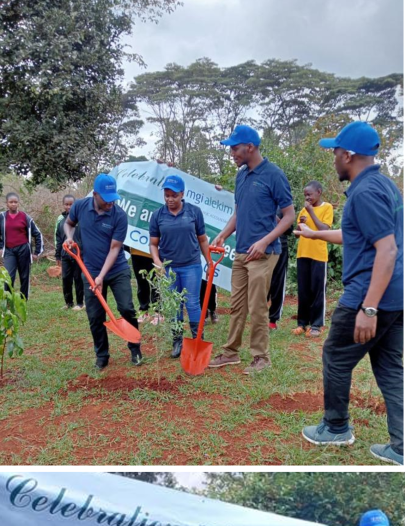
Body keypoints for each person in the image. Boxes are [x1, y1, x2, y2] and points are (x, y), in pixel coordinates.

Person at [298, 122, 405, 463]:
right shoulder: (384, 186)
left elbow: (386, 250)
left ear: (348, 155)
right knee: (389, 367)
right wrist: (316, 236)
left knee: (335, 356)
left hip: (369, 293)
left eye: (335, 153)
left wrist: (369, 308)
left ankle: (336, 427)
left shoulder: (365, 192)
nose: (333, 159)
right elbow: (356, 234)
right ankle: (402, 445)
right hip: (396, 295)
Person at [208, 124, 294, 374]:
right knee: (236, 305)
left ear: (250, 147)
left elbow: (289, 216)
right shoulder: (241, 175)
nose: (232, 153)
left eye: (235, 148)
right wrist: (224, 234)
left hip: (264, 253)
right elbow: (239, 212)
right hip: (242, 251)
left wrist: (266, 240)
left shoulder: (273, 174)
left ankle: (261, 358)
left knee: (257, 306)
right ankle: (230, 353)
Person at [65, 173, 141, 370]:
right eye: (106, 199)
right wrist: (69, 237)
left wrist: (101, 276)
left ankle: (135, 348)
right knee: (95, 316)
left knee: (126, 308)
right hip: (89, 271)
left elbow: (115, 249)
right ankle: (102, 355)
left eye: (113, 199)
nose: (110, 203)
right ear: (95, 195)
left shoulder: (119, 216)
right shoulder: (80, 206)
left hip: (116, 270)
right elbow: (69, 224)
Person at [146, 174, 208, 359]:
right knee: (174, 306)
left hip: (191, 266)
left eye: (174, 195)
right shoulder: (158, 215)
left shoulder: (194, 212)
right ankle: (177, 341)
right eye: (166, 195)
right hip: (168, 268)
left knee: (192, 303)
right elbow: (153, 244)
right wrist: (157, 261)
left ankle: (198, 340)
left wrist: (209, 261)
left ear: (182, 194)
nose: (170, 199)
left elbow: (202, 239)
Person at [292, 182, 333, 336]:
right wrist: (301, 223)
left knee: (317, 290)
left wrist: (311, 212)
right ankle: (302, 323)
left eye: (309, 194)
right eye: (305, 195)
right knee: (303, 290)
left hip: (318, 255)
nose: (307, 198)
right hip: (303, 253)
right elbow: (296, 233)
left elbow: (324, 229)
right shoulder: (303, 210)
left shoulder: (327, 207)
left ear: (319, 192)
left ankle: (316, 325)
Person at [0, 193, 43, 299]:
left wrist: (36, 252)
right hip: (9, 251)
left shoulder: (26, 217)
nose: (13, 204)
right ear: (7, 204)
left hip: (23, 250)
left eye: (15, 202)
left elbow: (37, 234)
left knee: (24, 277)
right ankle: (9, 301)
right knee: (8, 277)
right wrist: (0, 247)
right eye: (11, 202)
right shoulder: (2, 217)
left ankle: (23, 301)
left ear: (18, 203)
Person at [53, 194, 80, 309]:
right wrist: (58, 256)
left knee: (78, 278)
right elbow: (59, 239)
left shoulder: (80, 219)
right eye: (66, 204)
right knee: (66, 279)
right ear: (63, 205)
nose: (69, 207)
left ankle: (80, 303)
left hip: (78, 255)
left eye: (71, 204)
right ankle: (68, 303)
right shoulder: (61, 221)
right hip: (65, 255)